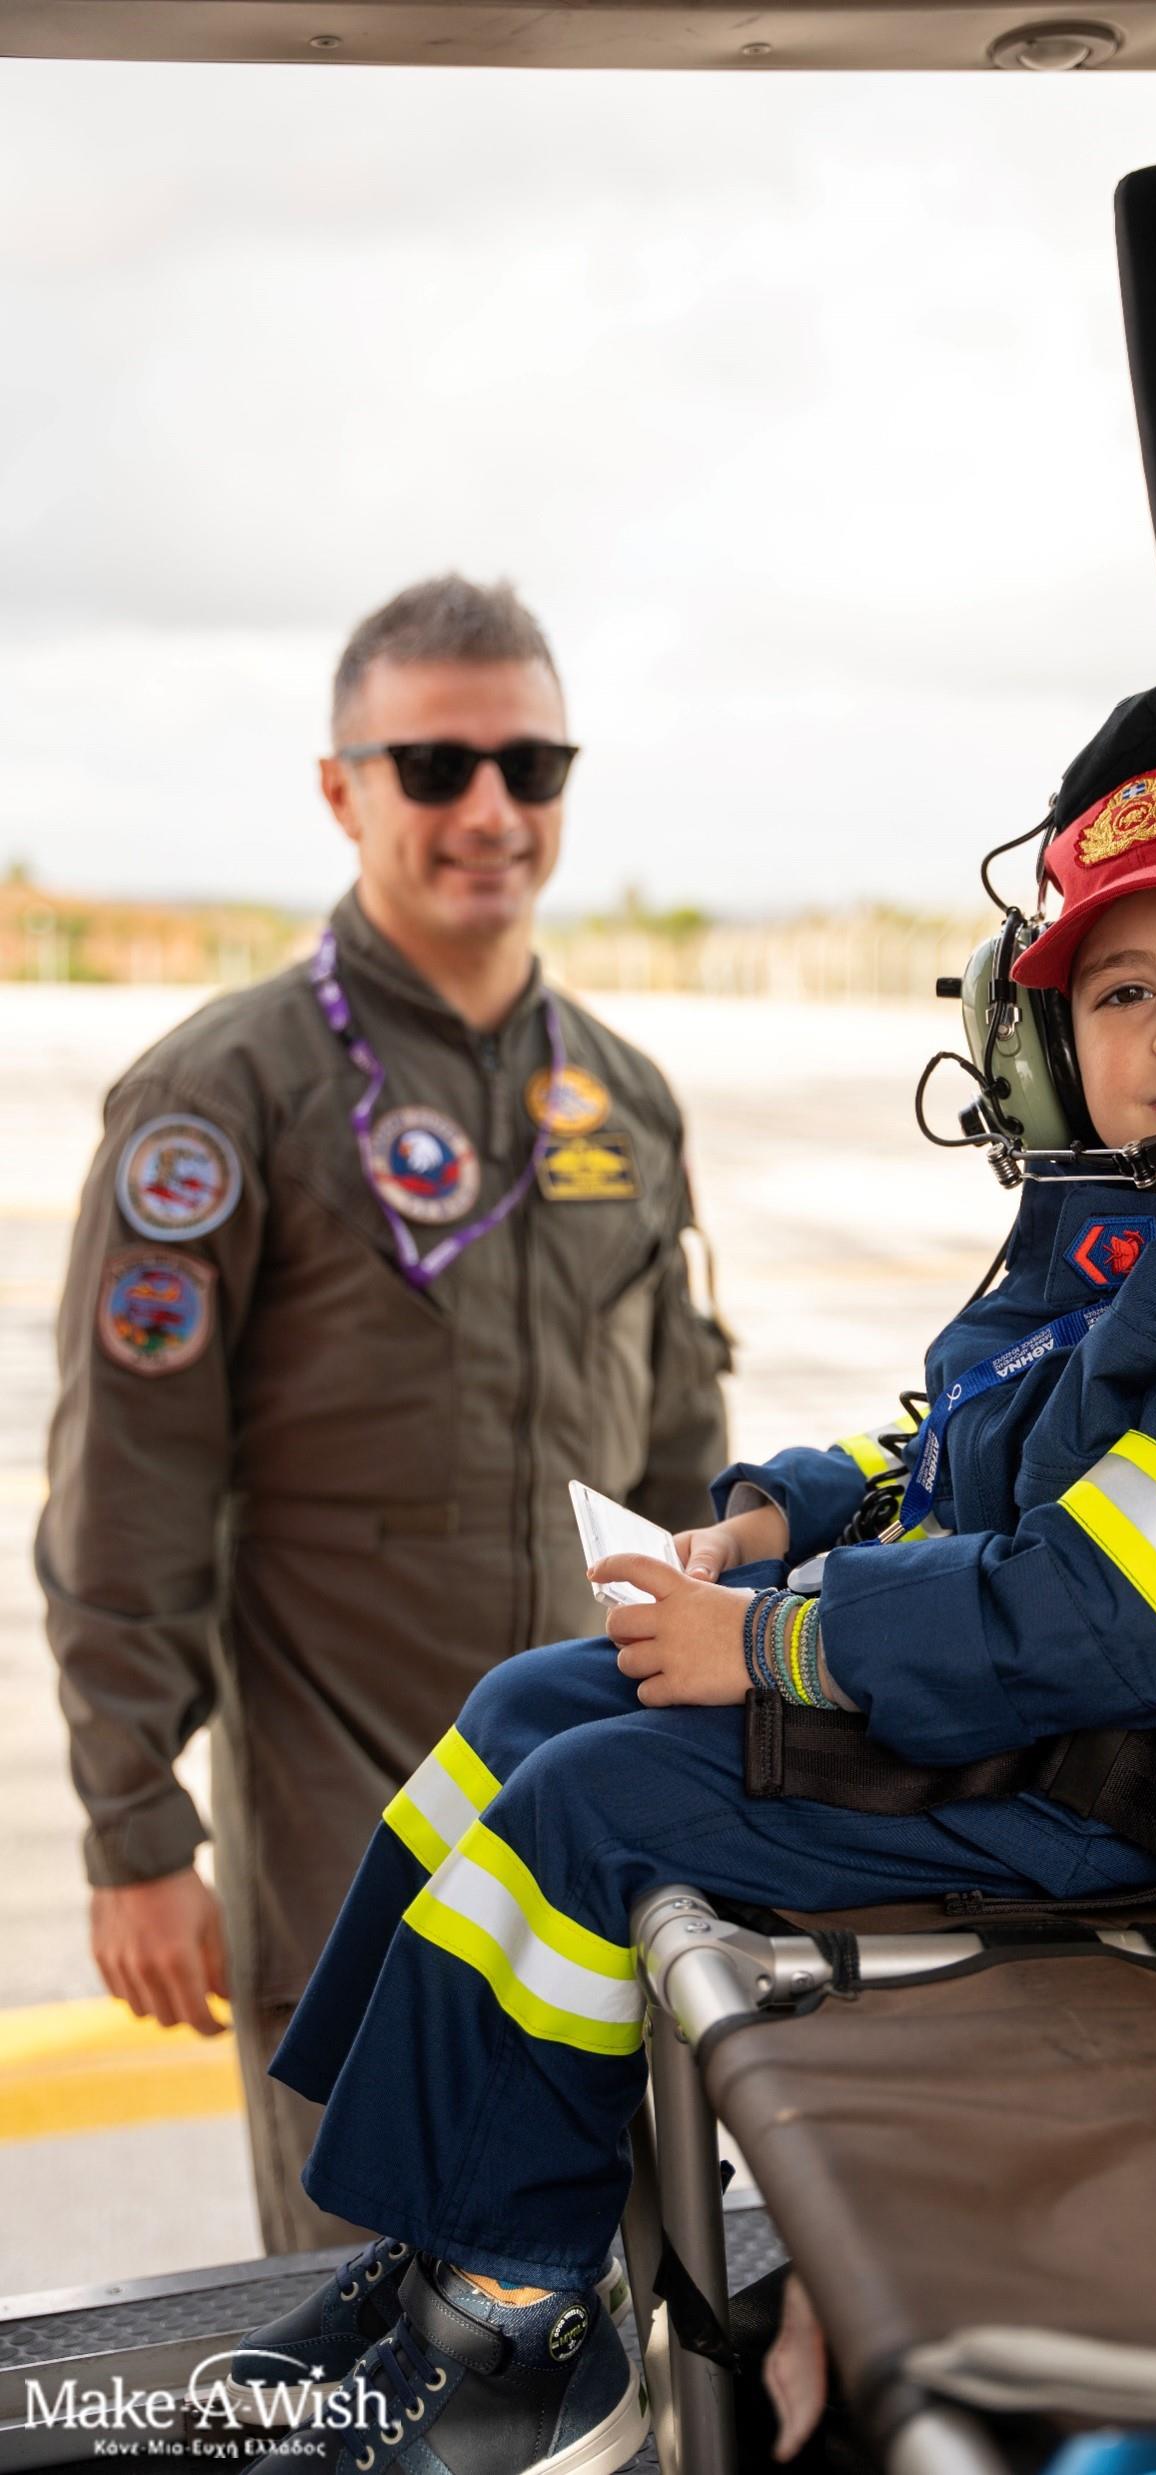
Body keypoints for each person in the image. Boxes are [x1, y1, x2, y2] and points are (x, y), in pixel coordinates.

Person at [231, 675, 1156, 2475]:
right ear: (1042, 1044)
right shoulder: (1131, 1222)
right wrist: (780, 1519)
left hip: (1105, 1787)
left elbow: (1103, 1619)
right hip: (977, 1708)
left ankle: (518, 2323)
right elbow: (962, 1448)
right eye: (1123, 992)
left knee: (587, 1810)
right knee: (520, 1711)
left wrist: (778, 1644)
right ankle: (442, 2238)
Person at [36, 574, 730, 2255]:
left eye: (531, 766)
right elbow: (129, 1478)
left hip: (590, 1822)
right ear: (342, 791)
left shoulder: (622, 1105)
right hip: (345, 1842)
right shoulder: (226, 1097)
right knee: (382, 2320)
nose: (490, 810)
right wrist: (136, 1832)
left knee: (625, 2308)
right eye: (433, 767)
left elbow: (678, 1467)